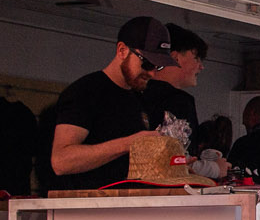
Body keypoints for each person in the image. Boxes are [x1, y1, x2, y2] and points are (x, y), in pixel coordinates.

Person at [45, 16, 171, 192]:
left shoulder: (137, 97)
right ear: (122, 50)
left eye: (158, 66)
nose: (151, 73)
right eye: (147, 63)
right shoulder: (85, 91)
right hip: (88, 213)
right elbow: (61, 161)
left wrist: (171, 164)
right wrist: (129, 144)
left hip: (126, 210)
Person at [139, 24, 209, 146]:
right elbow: (179, 157)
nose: (201, 67)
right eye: (196, 58)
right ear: (175, 57)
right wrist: (211, 165)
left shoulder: (132, 93)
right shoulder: (180, 101)